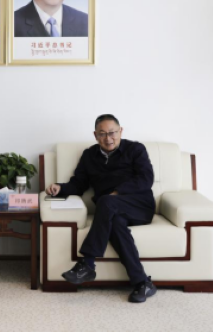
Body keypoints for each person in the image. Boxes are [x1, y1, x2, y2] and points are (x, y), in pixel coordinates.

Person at [45, 114, 157, 303]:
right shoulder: (89, 155)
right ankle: (143, 283)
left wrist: (117, 193)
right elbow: (79, 184)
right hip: (110, 210)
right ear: (95, 135)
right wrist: (60, 188)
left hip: (139, 206)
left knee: (105, 201)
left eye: (112, 133)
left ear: (120, 131)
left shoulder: (135, 149)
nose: (108, 138)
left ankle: (87, 263)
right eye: (102, 134)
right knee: (115, 224)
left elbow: (146, 179)